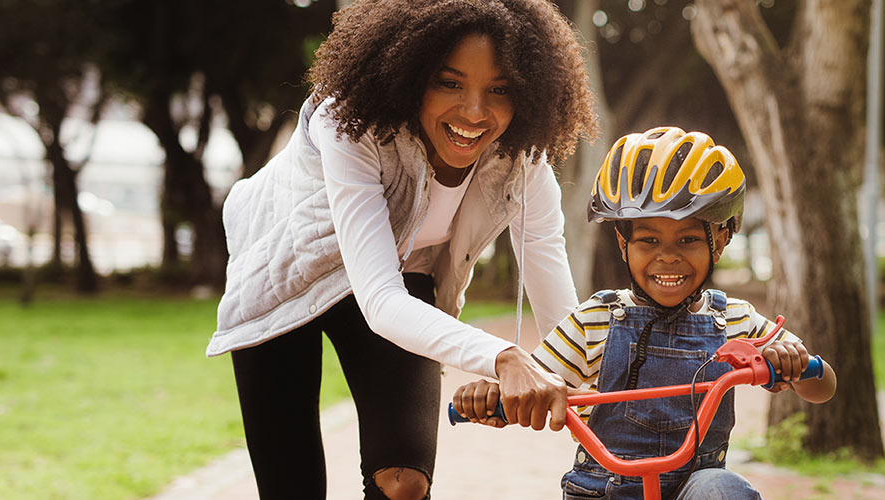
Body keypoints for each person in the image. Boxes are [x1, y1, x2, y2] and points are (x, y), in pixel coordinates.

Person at [205, 1, 598, 498]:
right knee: (291, 487)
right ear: (410, 74)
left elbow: (543, 252)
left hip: (398, 272)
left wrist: (586, 376)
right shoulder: (349, 120)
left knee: (404, 483)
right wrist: (503, 357)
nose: (475, 112)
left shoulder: (522, 155)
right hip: (285, 277)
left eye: (499, 89)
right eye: (449, 83)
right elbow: (380, 301)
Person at [452, 127, 838, 500]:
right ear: (623, 243)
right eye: (648, 240)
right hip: (603, 491)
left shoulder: (735, 320)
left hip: (697, 489)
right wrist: (492, 399)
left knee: (723, 490)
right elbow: (533, 384)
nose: (667, 255)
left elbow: (823, 387)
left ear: (718, 242)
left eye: (687, 239)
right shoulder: (596, 320)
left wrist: (794, 363)